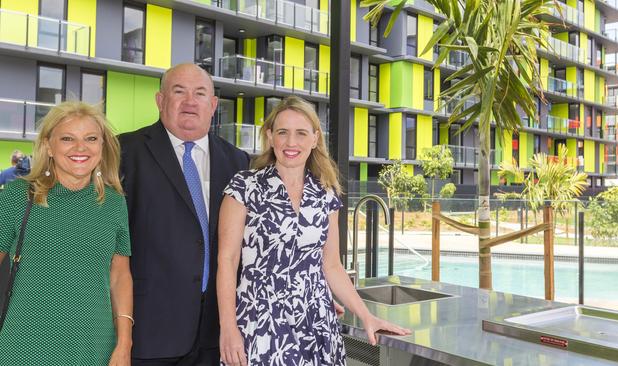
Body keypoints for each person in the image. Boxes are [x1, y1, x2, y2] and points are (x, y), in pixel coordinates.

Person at [217, 96, 410, 366]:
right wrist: (228, 328)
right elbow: (227, 261)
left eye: (301, 133)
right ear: (270, 137)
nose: (291, 143)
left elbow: (331, 266)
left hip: (317, 324)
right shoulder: (244, 187)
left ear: (315, 138)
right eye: (282, 132)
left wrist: (367, 316)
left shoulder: (325, 193)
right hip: (261, 323)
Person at [119, 63, 249, 365]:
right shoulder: (125, 151)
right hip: (149, 332)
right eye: (179, 92)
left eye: (200, 93)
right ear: (160, 100)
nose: (190, 101)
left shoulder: (238, 161)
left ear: (213, 105)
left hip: (215, 333)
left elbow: (254, 243)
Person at [0, 101, 133, 365]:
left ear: (102, 146)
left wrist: (124, 344)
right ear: (49, 146)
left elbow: (120, 275)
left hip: (95, 346)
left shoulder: (115, 203)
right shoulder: (17, 197)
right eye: (68, 139)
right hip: (23, 344)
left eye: (91, 138)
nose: (80, 148)